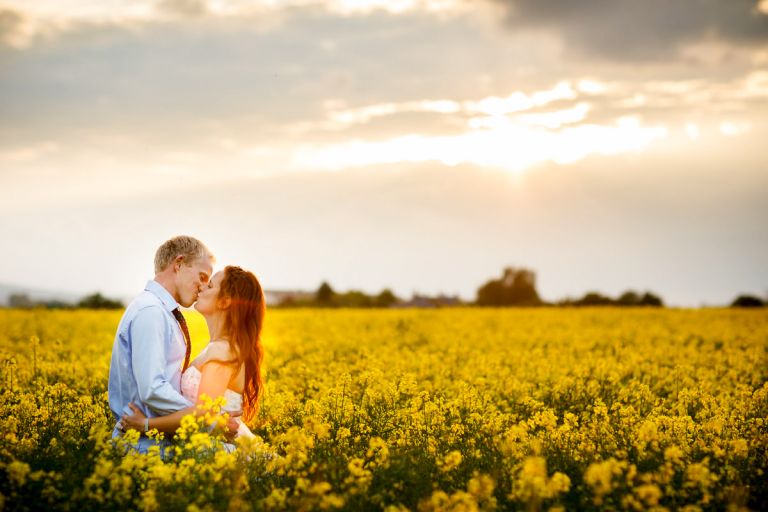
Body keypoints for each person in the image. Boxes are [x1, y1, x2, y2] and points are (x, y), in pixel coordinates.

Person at [120, 265, 266, 447]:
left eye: (210, 285)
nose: (202, 287)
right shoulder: (218, 347)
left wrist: (146, 425)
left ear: (225, 302)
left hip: (217, 454)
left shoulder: (223, 351)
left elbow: (203, 415)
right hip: (202, 446)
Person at [108, 235, 215, 454]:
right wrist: (208, 421)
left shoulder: (160, 311)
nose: (203, 287)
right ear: (179, 264)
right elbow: (152, 389)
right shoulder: (152, 312)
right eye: (202, 277)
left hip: (158, 443)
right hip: (146, 448)